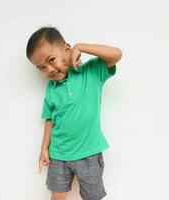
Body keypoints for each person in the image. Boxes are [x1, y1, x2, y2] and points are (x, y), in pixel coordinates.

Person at [26, 26, 122, 200]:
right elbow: (50, 120)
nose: (49, 70)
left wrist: (81, 46)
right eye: (41, 68)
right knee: (57, 197)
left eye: (51, 60)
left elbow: (116, 54)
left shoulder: (91, 72)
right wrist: (44, 149)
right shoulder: (51, 89)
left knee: (93, 197)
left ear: (67, 50)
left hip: (89, 153)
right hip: (59, 154)